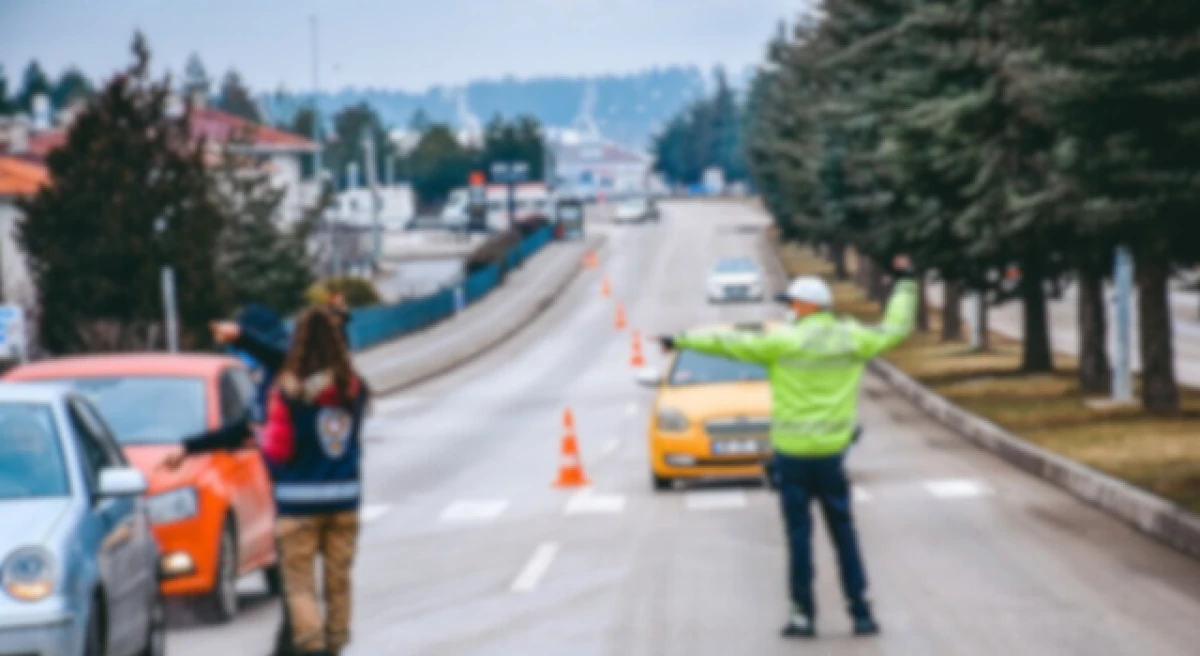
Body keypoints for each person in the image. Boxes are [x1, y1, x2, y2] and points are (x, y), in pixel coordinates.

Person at [660, 255, 916, 639]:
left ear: (808, 306)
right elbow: (895, 327)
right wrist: (906, 283)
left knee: (799, 537)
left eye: (792, 303)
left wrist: (679, 340)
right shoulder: (852, 339)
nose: (789, 309)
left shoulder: (783, 341)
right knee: (844, 532)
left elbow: (729, 343)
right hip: (832, 456)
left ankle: (802, 616)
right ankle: (860, 613)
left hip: (793, 458)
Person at [264, 307, 369, 656]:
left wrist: (264, 448)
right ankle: (337, 643)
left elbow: (279, 449)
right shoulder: (354, 390)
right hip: (344, 502)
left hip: (298, 504)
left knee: (300, 587)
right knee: (338, 583)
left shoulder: (288, 393)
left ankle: (314, 648)